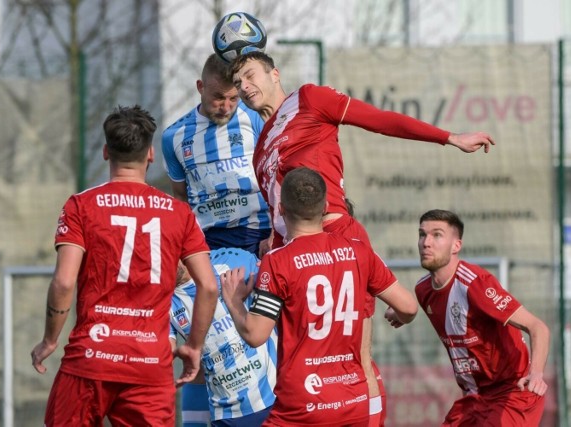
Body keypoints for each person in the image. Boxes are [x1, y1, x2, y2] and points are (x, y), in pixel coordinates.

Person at [229, 51, 496, 425]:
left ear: (275, 73)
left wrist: (448, 137)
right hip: (295, 252)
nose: (244, 87)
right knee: (303, 355)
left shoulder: (307, 98)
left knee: (354, 357)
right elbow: (281, 210)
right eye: (238, 82)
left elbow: (379, 120)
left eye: (250, 75)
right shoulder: (260, 148)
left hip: (338, 235)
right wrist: (272, 246)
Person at [30, 105, 219, 427]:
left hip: (90, 358)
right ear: (149, 154)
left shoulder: (82, 205)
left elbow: (63, 282)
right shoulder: (179, 213)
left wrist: (50, 339)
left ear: (106, 151)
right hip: (149, 362)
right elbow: (209, 286)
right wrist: (194, 346)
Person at [220, 167, 418, 426]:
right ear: (325, 206)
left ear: (280, 209)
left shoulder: (278, 261)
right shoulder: (358, 250)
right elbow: (409, 307)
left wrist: (235, 302)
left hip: (303, 404)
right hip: (353, 400)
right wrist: (398, 314)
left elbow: (256, 334)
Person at [415, 209, 549, 426]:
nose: (426, 242)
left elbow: (538, 327)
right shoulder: (423, 290)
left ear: (456, 245)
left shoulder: (476, 284)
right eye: (422, 234)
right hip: (474, 396)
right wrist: (400, 313)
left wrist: (537, 375)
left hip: (513, 391)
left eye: (437, 235)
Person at [162, 53, 271, 256]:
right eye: (219, 97)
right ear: (200, 87)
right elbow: (180, 197)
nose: (226, 107)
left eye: (233, 98)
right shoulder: (173, 136)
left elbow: (275, 178)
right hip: (207, 242)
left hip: (258, 235)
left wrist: (275, 234)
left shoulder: (255, 119)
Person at [170, 247, 277, 427]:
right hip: (224, 414)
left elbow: (283, 295)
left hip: (273, 401)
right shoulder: (162, 301)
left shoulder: (232, 261)